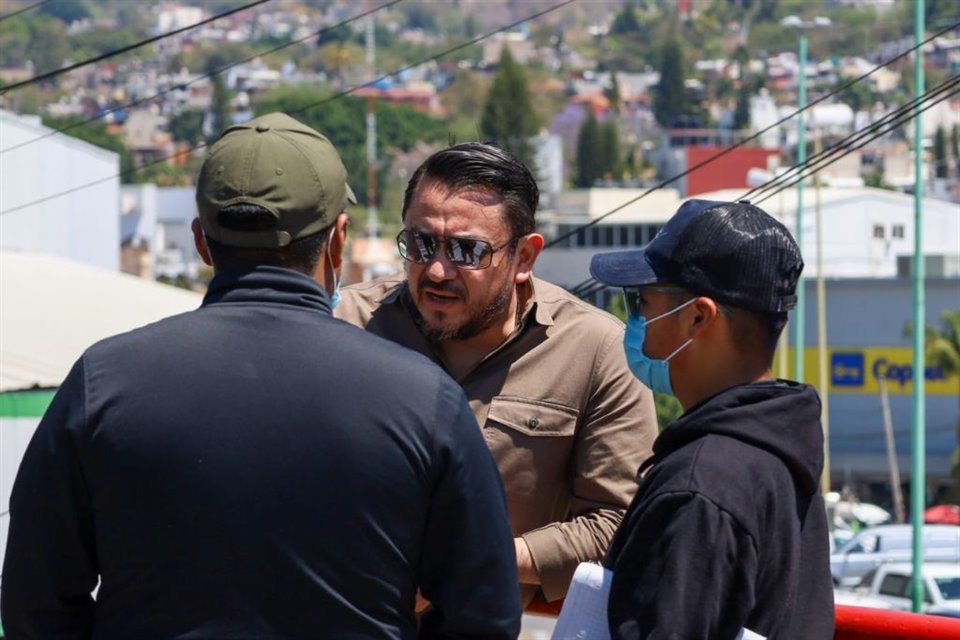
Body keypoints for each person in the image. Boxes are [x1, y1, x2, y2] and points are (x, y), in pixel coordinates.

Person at [1, 113, 521, 639]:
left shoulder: (102, 383)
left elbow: (35, 602)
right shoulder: (423, 399)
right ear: (338, 241)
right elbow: (485, 615)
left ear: (203, 242)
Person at [335, 142, 657, 605]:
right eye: (422, 244)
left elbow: (623, 522)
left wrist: (484, 560)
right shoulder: (345, 325)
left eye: (468, 251)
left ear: (524, 257)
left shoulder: (595, 351)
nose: (438, 270)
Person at [590, 199, 834, 638]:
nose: (636, 318)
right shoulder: (775, 448)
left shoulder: (699, 485)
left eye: (642, 300)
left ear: (698, 317)